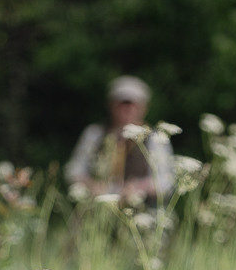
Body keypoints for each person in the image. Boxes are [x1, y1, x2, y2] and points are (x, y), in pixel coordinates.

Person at [65, 75, 174, 208]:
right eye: (122, 104)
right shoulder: (94, 133)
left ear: (144, 107)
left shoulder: (156, 139)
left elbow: (166, 182)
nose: (127, 110)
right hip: (98, 210)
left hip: (141, 212)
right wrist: (91, 185)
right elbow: (73, 171)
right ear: (111, 105)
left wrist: (138, 188)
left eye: (133, 105)